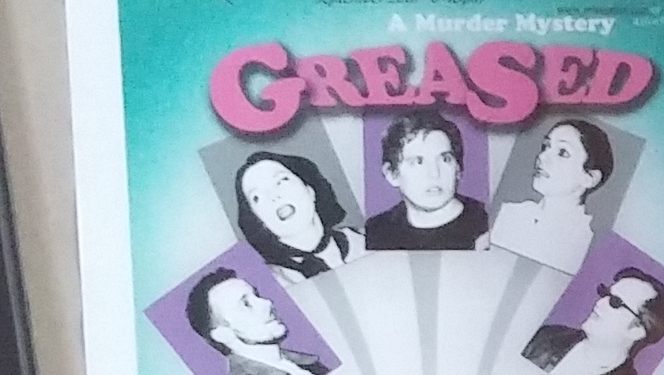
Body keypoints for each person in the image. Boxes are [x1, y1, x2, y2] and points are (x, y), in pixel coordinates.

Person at [183, 267, 330, 375]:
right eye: (246, 304)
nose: (267, 303)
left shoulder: (309, 365)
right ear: (223, 334)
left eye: (257, 295)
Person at [518, 270, 664, 375]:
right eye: (605, 293)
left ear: (637, 331)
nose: (600, 303)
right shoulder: (545, 337)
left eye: (615, 302)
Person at [489, 118, 615, 275]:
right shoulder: (510, 212)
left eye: (562, 152)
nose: (542, 156)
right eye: (545, 146)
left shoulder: (587, 243)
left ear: (589, 178)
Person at [362, 114, 488, 252]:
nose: (434, 174)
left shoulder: (487, 223)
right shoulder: (376, 232)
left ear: (457, 169)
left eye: (445, 159)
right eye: (418, 162)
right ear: (392, 174)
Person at [228, 149, 354, 278]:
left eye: (282, 181)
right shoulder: (271, 280)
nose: (273, 196)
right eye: (256, 197)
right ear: (257, 219)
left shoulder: (360, 241)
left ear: (310, 189)